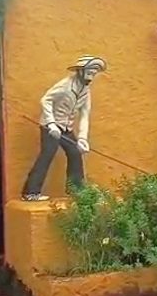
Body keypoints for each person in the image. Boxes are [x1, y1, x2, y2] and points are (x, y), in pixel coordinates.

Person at [21, 55, 106, 201]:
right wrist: (51, 123)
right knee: (48, 154)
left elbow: (85, 114)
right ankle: (31, 192)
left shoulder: (85, 91)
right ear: (80, 71)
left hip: (66, 128)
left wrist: (82, 138)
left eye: (93, 74)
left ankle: (76, 191)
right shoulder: (65, 86)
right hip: (51, 126)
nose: (91, 77)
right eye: (89, 73)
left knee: (75, 153)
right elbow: (46, 100)